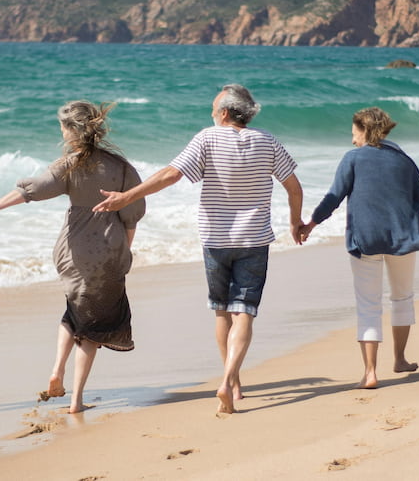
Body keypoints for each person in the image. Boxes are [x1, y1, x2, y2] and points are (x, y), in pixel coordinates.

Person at [93, 84, 303, 414]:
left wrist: (127, 197)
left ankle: (231, 384)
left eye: (213, 108)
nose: (210, 113)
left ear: (224, 113)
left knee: (222, 311)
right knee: (244, 311)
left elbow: (171, 174)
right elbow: (293, 187)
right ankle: (230, 380)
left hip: (216, 240)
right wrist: (295, 223)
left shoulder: (207, 137)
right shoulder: (267, 141)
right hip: (254, 240)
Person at [0, 101, 145, 414]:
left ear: (71, 129)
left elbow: (33, 190)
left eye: (62, 127)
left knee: (74, 310)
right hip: (107, 253)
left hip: (72, 251)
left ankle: (57, 369)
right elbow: (133, 215)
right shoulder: (121, 167)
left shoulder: (69, 164)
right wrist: (124, 253)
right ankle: (77, 400)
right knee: (92, 329)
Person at [299, 106, 419, 389]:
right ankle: (399, 359)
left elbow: (333, 198)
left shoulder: (353, 159)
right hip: (402, 239)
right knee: (402, 298)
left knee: (368, 304)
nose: (352, 140)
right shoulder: (403, 161)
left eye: (354, 134)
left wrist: (310, 224)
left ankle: (370, 372)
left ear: (364, 130)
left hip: (365, 240)